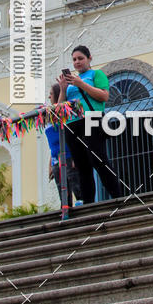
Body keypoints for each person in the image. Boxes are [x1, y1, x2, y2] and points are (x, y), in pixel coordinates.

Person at [57, 45, 122, 203]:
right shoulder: (71, 83)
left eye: (80, 58)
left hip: (91, 119)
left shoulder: (96, 74)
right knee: (81, 166)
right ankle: (88, 203)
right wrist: (63, 89)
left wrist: (81, 84)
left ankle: (118, 197)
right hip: (72, 123)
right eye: (74, 60)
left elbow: (104, 96)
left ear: (89, 58)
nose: (77, 62)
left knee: (98, 160)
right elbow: (59, 110)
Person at [45, 83, 82, 207]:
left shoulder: (65, 114)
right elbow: (53, 144)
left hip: (69, 155)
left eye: (51, 94)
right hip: (56, 159)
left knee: (77, 187)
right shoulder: (49, 117)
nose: (49, 97)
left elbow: (58, 112)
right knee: (63, 193)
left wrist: (62, 89)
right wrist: (50, 163)